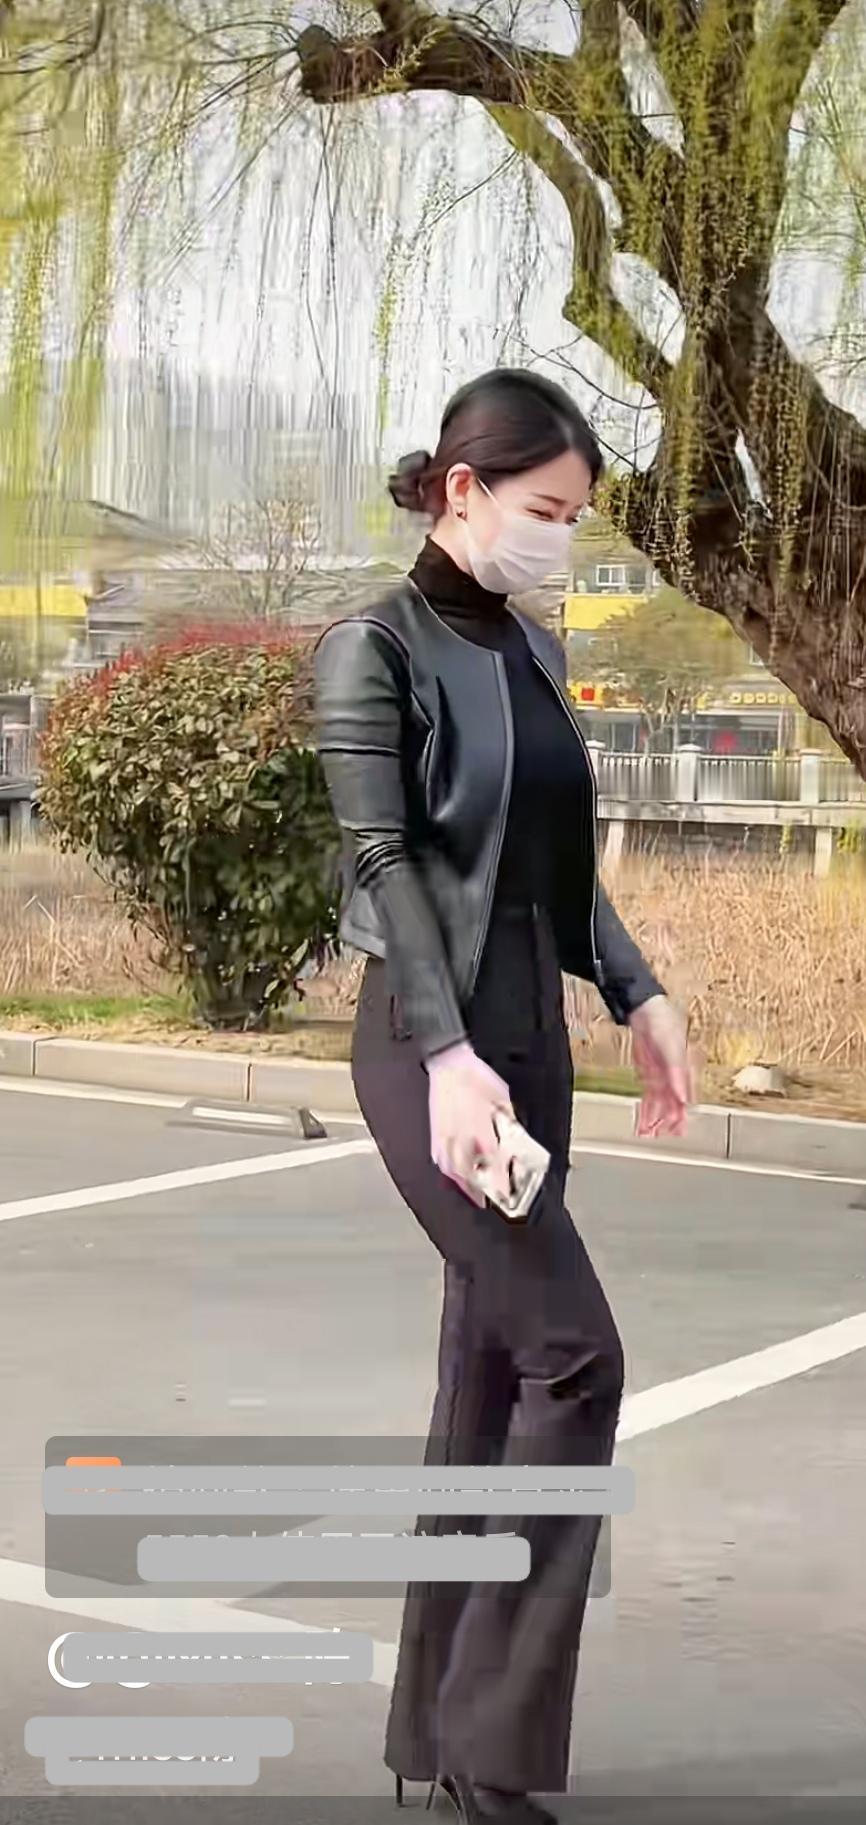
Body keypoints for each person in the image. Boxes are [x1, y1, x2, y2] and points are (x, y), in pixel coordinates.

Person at [313, 369, 692, 1825]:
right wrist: (446, 1054)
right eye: (547, 510)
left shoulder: (531, 646)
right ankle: (494, 1753)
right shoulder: (372, 646)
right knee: (574, 1360)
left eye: (578, 519)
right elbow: (383, 860)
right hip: (434, 1042)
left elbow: (556, 864)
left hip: (530, 1026)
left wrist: (637, 991)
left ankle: (436, 1732)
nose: (562, 539)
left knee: (488, 1371)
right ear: (462, 490)